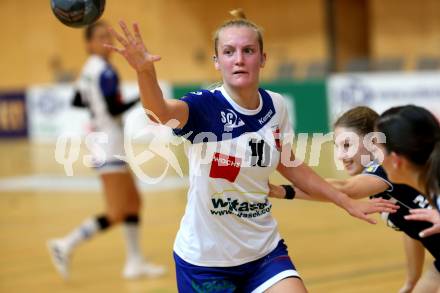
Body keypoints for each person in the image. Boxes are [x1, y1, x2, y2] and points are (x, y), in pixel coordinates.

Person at [105, 11, 397, 292]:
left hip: (263, 252)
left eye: (248, 50)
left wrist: (344, 201)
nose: (239, 59)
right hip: (205, 262)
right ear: (216, 61)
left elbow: (292, 166)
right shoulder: (203, 107)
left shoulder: (276, 106)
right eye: (229, 52)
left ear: (263, 58)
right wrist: (145, 71)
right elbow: (159, 113)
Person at [270, 106, 440, 293]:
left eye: (347, 145)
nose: (340, 156)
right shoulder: (394, 180)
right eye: (337, 146)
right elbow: (413, 232)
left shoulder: (386, 168)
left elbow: (346, 188)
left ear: (373, 142)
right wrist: (411, 281)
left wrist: (281, 191)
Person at [47, 21, 165, 280]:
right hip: (108, 145)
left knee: (133, 203)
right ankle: (65, 245)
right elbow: (113, 109)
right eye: (99, 37)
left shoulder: (89, 69)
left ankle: (134, 263)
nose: (104, 41)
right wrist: (142, 99)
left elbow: (77, 100)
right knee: (117, 211)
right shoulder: (106, 72)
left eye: (106, 36)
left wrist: (96, 110)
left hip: (104, 142)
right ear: (89, 44)